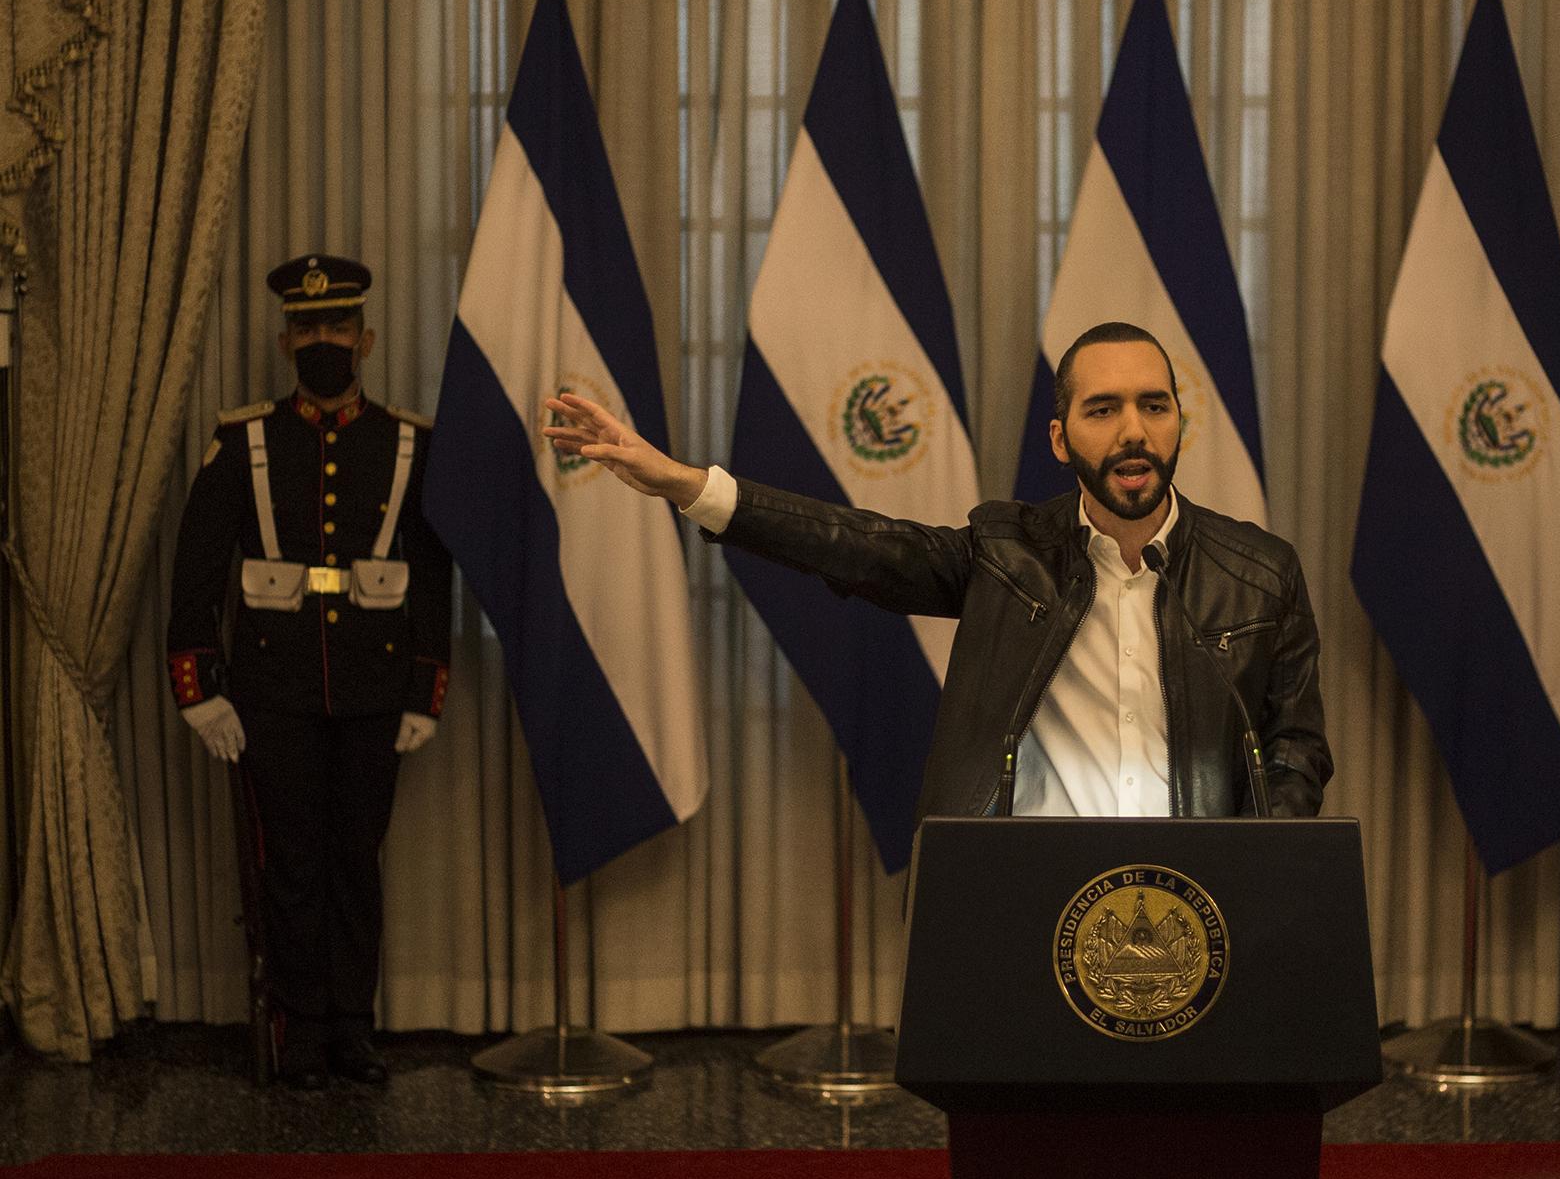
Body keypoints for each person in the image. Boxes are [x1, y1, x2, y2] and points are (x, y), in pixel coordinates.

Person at [545, 320, 1331, 823]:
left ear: (1178, 421)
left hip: (1193, 892)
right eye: (1104, 410)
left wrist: (1258, 856)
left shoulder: (1260, 573)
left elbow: (1296, 744)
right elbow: (860, 545)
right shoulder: (1007, 554)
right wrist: (694, 487)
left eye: (1155, 406)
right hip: (1025, 890)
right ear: (1060, 439)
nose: (1135, 432)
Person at [167, 254, 453, 1089]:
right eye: (306, 328)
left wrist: (426, 685)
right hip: (273, 691)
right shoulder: (245, 440)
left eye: (336, 327)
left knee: (356, 862)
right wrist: (201, 689)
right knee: (289, 863)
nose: (321, 340)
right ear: (285, 338)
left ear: (365, 337)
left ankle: (354, 1029)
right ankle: (298, 1030)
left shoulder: (408, 442)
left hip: (374, 687)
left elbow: (432, 574)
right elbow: (195, 573)